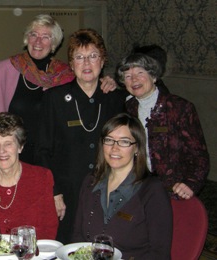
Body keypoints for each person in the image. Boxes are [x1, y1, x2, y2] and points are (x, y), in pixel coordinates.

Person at [0, 14, 117, 164]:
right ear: (27, 39)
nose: (38, 41)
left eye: (46, 36)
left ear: (54, 43)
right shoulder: (5, 68)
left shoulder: (66, 74)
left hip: (52, 154)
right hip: (13, 154)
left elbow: (88, 84)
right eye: (33, 34)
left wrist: (106, 81)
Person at [36, 28, 126, 243]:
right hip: (67, 193)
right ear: (71, 63)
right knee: (67, 246)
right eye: (79, 57)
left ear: (102, 61)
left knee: (104, 245)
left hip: (107, 189)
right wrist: (54, 193)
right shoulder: (54, 99)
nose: (87, 64)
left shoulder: (115, 99)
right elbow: (42, 151)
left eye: (93, 56)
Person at [72, 113, 172, 259]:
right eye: (109, 140)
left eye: (124, 142)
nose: (114, 148)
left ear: (137, 148)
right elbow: (77, 236)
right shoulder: (90, 182)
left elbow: (160, 254)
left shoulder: (152, 191)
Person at [116, 53, 209, 199]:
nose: (134, 79)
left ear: (153, 77)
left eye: (140, 73)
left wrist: (191, 183)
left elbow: (199, 156)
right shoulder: (128, 108)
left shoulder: (179, 108)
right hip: (138, 190)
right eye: (128, 76)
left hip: (173, 191)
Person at [0, 112, 58, 239]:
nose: (2, 151)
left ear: (20, 147)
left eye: (8, 144)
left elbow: (48, 230)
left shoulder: (41, 178)